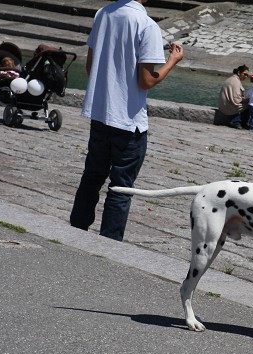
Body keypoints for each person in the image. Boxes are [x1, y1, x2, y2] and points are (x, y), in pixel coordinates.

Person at [69, 0, 184, 242]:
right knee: (121, 187)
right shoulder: (147, 25)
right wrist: (172, 60)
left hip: (100, 114)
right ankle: (109, 243)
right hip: (128, 120)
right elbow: (147, 81)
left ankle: (75, 232)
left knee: (91, 177)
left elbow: (91, 67)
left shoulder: (103, 14)